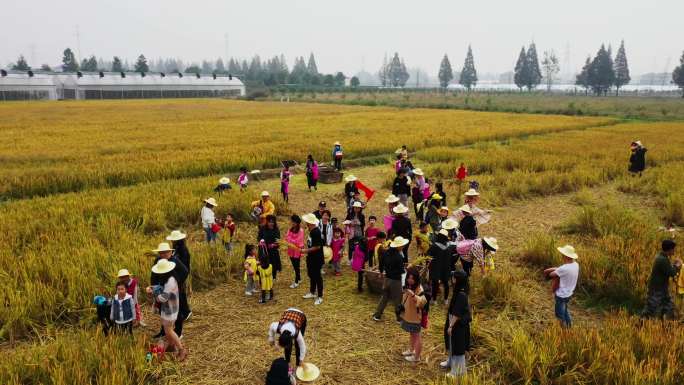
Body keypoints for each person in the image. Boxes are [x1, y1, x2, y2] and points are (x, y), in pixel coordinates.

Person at [147, 259, 187, 361]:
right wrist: (153, 287)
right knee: (167, 330)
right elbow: (160, 287)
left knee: (168, 331)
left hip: (170, 310)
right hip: (169, 308)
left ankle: (182, 349)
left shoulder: (170, 281)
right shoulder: (167, 278)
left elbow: (163, 298)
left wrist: (153, 294)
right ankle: (171, 347)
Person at [151, 242, 189, 339]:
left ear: (170, 252)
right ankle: (164, 331)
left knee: (178, 312)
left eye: (165, 252)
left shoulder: (175, 260)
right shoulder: (158, 260)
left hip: (175, 291)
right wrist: (153, 286)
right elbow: (154, 273)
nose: (163, 255)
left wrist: (177, 283)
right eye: (161, 253)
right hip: (161, 290)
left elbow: (185, 272)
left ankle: (178, 332)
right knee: (163, 311)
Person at [641, 240, 682, 320]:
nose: (674, 251)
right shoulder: (662, 260)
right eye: (673, 249)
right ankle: (641, 323)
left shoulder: (662, 257)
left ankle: (667, 324)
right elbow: (671, 272)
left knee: (669, 305)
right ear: (669, 249)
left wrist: (674, 265)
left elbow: (668, 269)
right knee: (650, 308)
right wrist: (677, 266)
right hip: (656, 290)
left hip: (662, 289)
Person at [441, 270, 471, 377]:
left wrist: (450, 326)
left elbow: (457, 313)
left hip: (458, 324)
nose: (452, 280)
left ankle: (457, 370)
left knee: (457, 346)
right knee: (450, 342)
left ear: (458, 280)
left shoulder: (461, 294)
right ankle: (450, 361)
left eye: (454, 278)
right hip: (452, 319)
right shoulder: (458, 290)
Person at [373, 236, 408, 322]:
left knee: (384, 297)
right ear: (398, 246)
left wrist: (381, 272)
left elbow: (381, 263)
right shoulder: (398, 257)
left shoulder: (386, 252)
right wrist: (406, 269)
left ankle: (377, 315)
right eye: (402, 245)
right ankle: (399, 318)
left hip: (387, 278)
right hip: (396, 281)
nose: (403, 247)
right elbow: (401, 270)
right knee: (397, 300)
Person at [543, 245, 580, 328]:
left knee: (559, 315)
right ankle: (569, 326)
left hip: (561, 295)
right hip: (569, 294)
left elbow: (552, 274)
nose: (562, 255)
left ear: (566, 256)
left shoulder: (564, 269)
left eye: (563, 254)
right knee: (565, 310)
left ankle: (563, 331)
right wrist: (558, 270)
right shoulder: (576, 265)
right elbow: (561, 269)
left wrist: (548, 271)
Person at [399, 269, 427, 363]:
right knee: (412, 333)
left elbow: (423, 302)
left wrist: (413, 295)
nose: (410, 280)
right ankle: (411, 350)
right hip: (409, 315)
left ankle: (417, 357)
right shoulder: (408, 286)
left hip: (415, 318)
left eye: (412, 278)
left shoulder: (419, 288)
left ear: (416, 279)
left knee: (417, 335)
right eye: (409, 278)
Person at [301, 214, 325, 305]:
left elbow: (317, 246)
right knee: (311, 275)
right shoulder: (311, 231)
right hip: (311, 257)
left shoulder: (316, 232)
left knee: (317, 276)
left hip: (317, 258)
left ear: (310, 223)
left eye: (307, 222)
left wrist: (305, 251)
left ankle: (320, 296)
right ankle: (312, 292)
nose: (305, 223)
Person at [428, 229, 455, 305]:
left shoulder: (435, 246)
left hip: (436, 267)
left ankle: (434, 300)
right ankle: (446, 299)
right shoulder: (450, 246)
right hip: (446, 267)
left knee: (435, 283)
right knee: (446, 283)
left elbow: (428, 255)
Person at [258, 215, 281, 279]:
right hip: (264, 250)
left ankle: (273, 277)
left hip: (273, 250)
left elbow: (278, 240)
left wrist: (274, 244)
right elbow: (259, 237)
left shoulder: (276, 230)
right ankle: (264, 276)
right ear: (267, 222)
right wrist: (261, 241)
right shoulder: (263, 229)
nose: (271, 223)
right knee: (264, 263)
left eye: (272, 222)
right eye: (269, 222)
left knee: (273, 264)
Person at [286, 215, 305, 289]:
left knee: (296, 265)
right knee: (294, 265)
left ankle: (296, 281)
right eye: (292, 221)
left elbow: (298, 241)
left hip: (297, 250)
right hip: (291, 249)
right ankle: (299, 278)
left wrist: (290, 240)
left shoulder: (301, 231)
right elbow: (286, 237)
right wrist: (291, 240)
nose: (292, 223)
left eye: (294, 222)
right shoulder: (290, 229)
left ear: (297, 223)